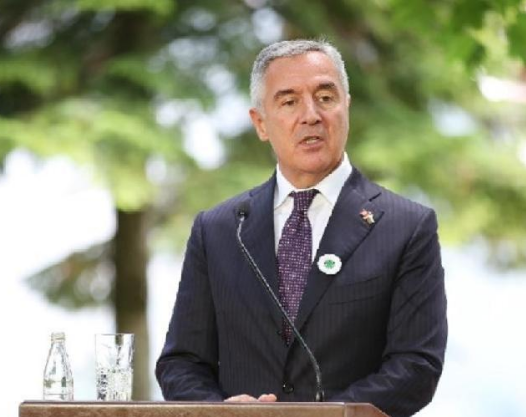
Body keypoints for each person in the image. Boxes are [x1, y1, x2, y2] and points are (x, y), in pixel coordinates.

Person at [155, 39, 448, 417]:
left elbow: (416, 366)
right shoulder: (219, 230)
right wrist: (222, 412)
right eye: (289, 102)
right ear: (261, 123)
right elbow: (181, 363)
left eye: (325, 97)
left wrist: (320, 416)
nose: (311, 115)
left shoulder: (406, 226)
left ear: (346, 106)